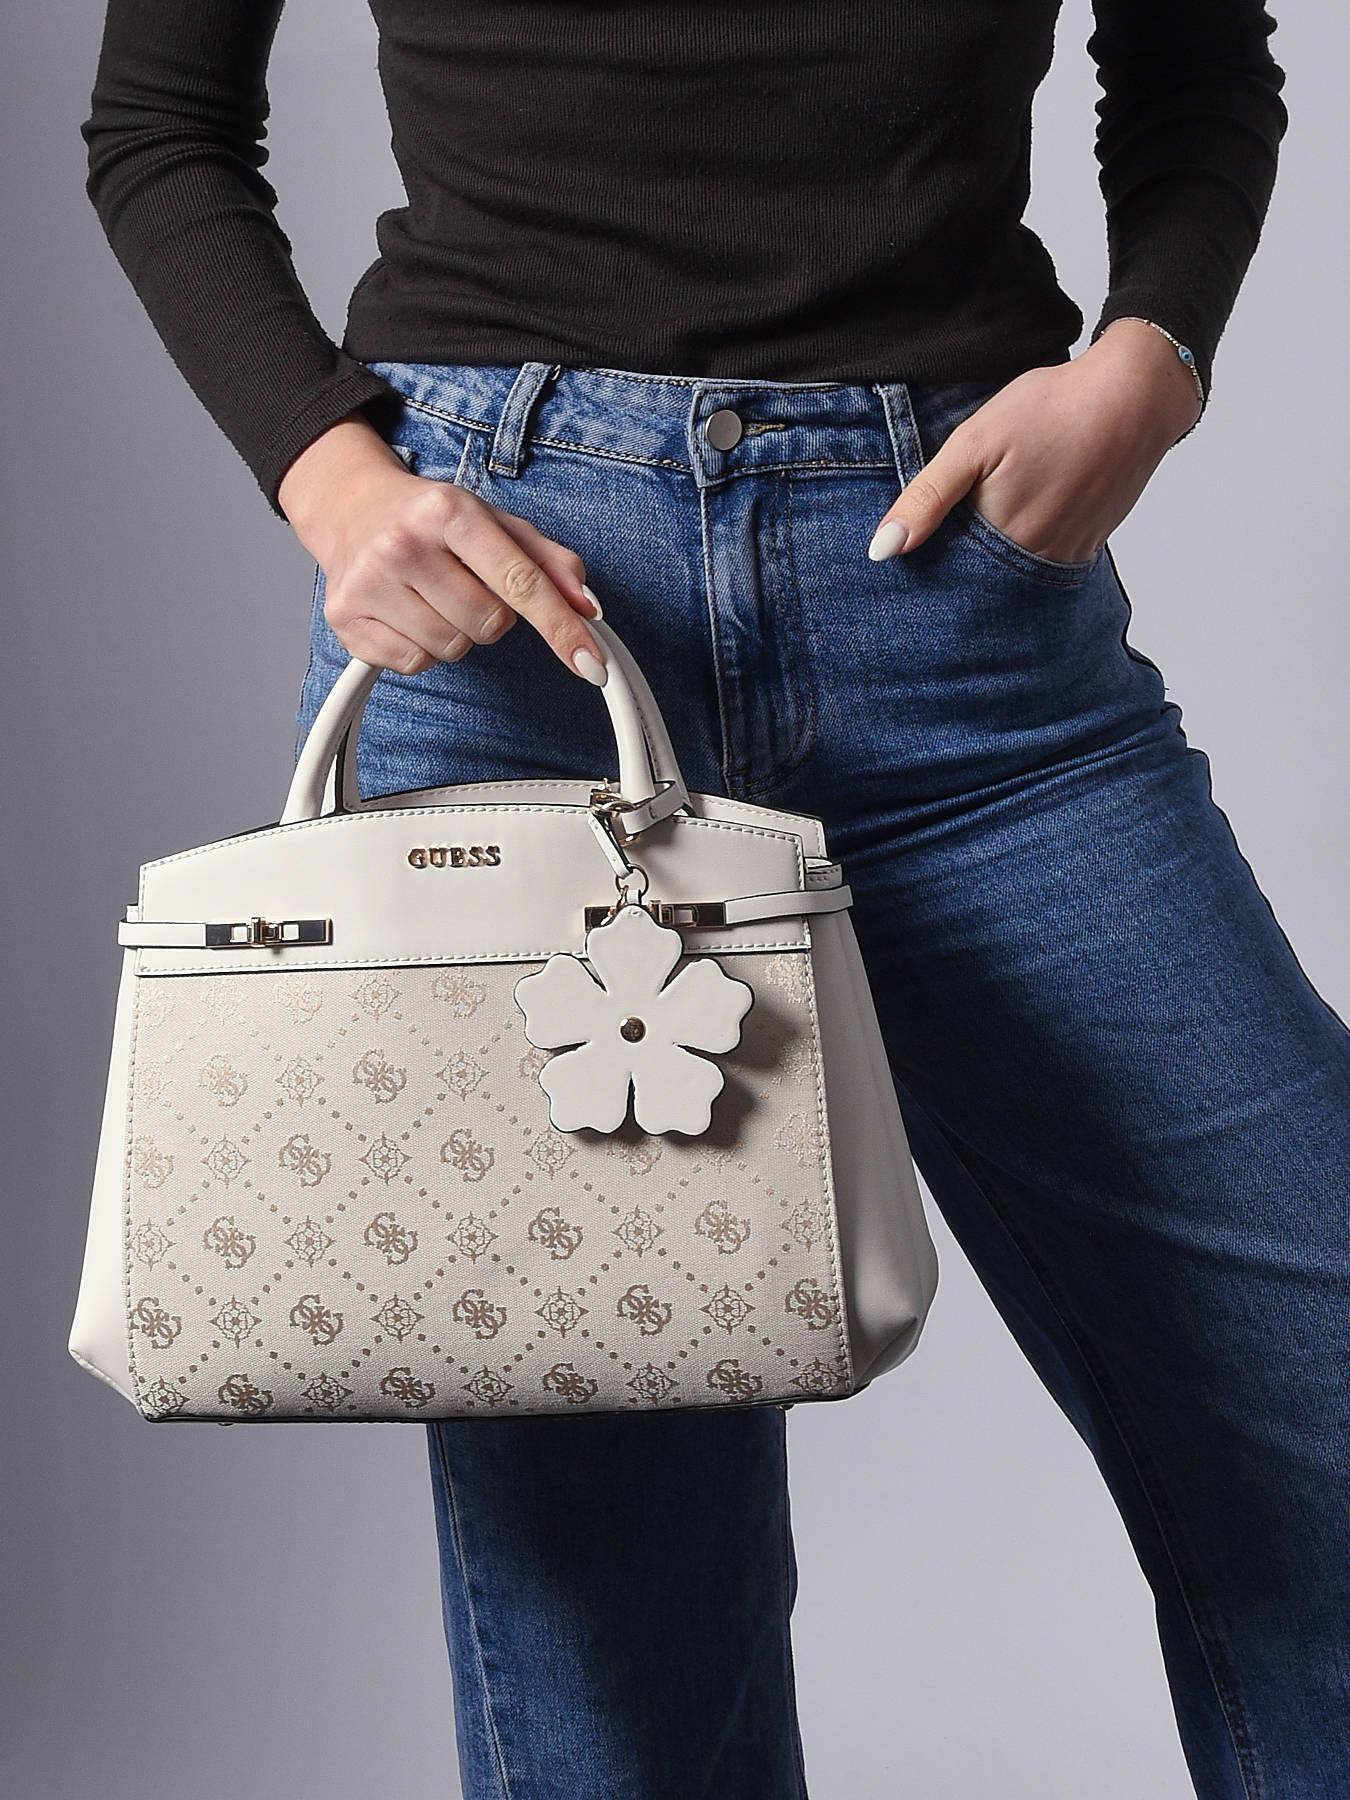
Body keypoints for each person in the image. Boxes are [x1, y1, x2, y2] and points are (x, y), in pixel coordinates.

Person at [80, 3, 1350, 1795]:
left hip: (962, 622)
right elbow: (157, 122)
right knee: (620, 1624)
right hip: (511, 624)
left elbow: (1198, 62)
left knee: (1316, 1392)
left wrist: (1151, 361)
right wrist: (331, 475)